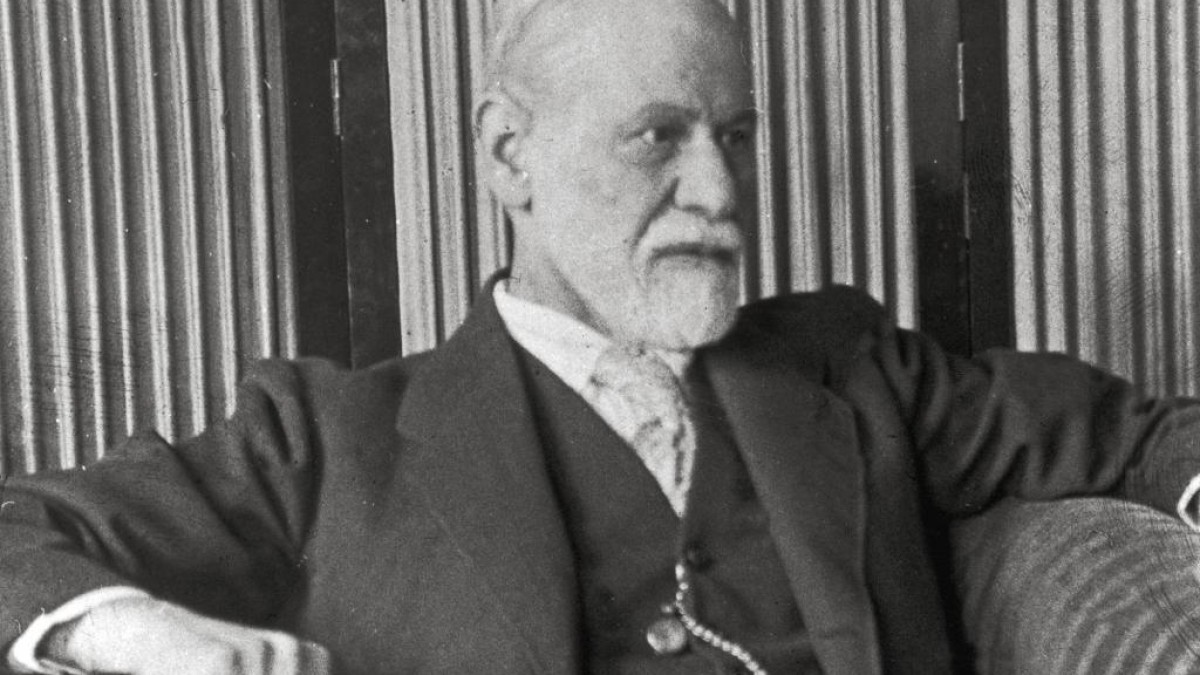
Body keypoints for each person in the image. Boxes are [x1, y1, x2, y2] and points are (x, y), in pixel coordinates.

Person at [3, 0, 1200, 673]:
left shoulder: (850, 367)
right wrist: (133, 631)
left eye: (736, 137)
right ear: (508, 156)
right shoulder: (325, 443)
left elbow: (1142, 436)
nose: (718, 193)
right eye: (657, 138)